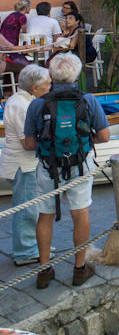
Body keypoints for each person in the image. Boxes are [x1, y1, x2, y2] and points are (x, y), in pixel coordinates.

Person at [22, 53, 111, 289]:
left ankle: (44, 271)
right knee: (80, 214)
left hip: (48, 167)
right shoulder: (89, 100)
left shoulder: (37, 104)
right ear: (77, 75)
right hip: (80, 166)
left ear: (51, 75)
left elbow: (30, 144)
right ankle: (79, 268)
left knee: (45, 215)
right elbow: (104, 136)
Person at [0, 64, 50, 266]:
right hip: (23, 164)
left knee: (31, 206)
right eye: (47, 83)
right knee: (26, 208)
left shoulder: (25, 101)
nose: (50, 86)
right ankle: (25, 250)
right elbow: (28, 142)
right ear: (35, 87)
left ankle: (34, 244)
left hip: (25, 163)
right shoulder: (21, 105)